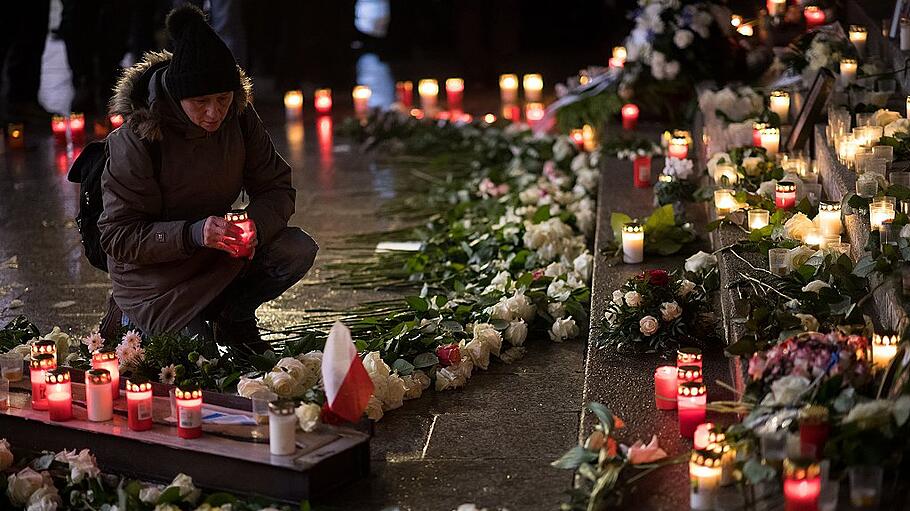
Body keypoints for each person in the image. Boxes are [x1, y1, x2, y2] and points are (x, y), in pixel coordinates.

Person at [98, 4, 317, 352]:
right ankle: (128, 317)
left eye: (223, 98)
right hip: (155, 280)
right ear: (176, 95)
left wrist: (251, 226)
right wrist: (194, 233)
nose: (214, 112)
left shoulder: (240, 119)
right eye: (200, 101)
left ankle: (234, 317)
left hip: (216, 257)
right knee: (199, 360)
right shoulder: (137, 140)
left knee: (295, 248)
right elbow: (117, 236)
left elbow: (275, 185)